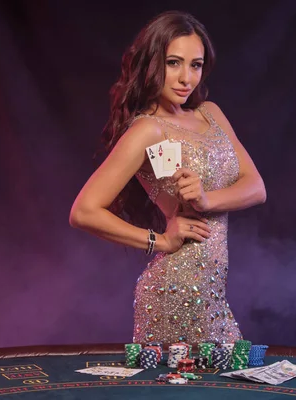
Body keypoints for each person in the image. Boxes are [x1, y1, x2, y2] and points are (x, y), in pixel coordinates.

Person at [69, 10, 266, 345]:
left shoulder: (211, 113)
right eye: (173, 62)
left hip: (212, 292)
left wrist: (207, 200)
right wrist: (159, 241)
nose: (186, 78)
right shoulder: (148, 129)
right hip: (175, 289)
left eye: (196, 65)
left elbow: (256, 187)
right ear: (151, 63)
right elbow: (83, 211)